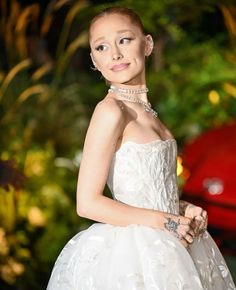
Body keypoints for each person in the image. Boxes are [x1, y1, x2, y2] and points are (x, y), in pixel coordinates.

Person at [47, 6, 236, 290]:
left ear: (147, 44)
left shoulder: (147, 113)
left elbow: (146, 191)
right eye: (101, 47)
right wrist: (166, 221)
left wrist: (182, 209)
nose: (115, 54)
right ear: (94, 60)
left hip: (172, 246)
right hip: (134, 256)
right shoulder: (110, 111)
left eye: (124, 40)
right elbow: (86, 202)